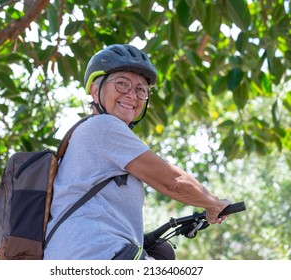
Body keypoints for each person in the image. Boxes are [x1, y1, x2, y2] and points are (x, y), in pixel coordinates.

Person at [44, 44, 230, 260]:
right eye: (122, 84)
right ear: (95, 91)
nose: (132, 95)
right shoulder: (103, 126)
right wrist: (213, 204)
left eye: (141, 89)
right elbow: (172, 180)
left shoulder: (83, 134)